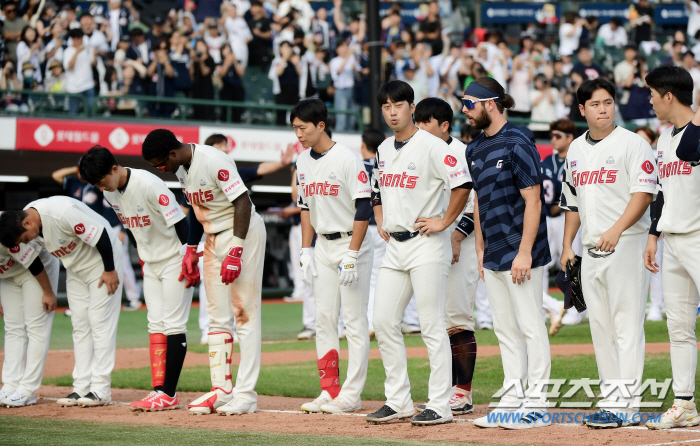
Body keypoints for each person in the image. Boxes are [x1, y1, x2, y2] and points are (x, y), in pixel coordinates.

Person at [366, 80, 471, 426]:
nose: (392, 112)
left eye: (398, 105)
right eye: (386, 107)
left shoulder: (433, 145)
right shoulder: (382, 148)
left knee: (430, 325)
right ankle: (399, 400)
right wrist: (381, 218)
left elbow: (463, 184)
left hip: (427, 243)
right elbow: (378, 190)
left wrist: (445, 221)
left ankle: (440, 404)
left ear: (412, 107)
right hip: (395, 245)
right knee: (382, 320)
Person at [142, 128, 266, 416]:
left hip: (241, 233)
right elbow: (198, 209)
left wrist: (236, 249)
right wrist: (190, 247)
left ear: (172, 153)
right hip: (212, 237)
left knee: (244, 313)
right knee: (217, 316)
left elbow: (242, 202)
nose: (161, 170)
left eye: (161, 164)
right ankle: (222, 389)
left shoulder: (213, 160)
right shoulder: (181, 168)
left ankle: (246, 394)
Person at [560, 77, 656, 428]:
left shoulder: (633, 144)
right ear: (582, 109)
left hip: (626, 242)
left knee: (627, 325)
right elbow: (571, 201)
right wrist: (568, 244)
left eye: (608, 102)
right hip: (589, 247)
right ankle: (612, 399)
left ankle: (628, 405)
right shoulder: (575, 149)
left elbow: (643, 193)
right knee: (600, 326)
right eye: (595, 104)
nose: (603, 109)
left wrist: (617, 230)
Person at [463, 77, 552, 429]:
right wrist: (480, 244)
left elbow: (534, 200)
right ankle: (514, 396)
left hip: (520, 250)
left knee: (531, 325)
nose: (465, 111)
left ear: (491, 103)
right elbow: (479, 201)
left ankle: (538, 401)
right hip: (493, 251)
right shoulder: (474, 149)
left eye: (470, 104)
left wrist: (524, 252)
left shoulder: (518, 142)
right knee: (504, 328)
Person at [77, 146, 192, 411]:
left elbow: (180, 224)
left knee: (173, 324)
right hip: (151, 263)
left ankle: (169, 393)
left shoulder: (150, 184)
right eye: (96, 184)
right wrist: (142, 258)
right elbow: (130, 228)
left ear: (114, 168)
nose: (102, 187)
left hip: (175, 257)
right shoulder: (111, 193)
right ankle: (159, 391)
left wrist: (189, 259)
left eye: (103, 180)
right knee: (155, 324)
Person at [290, 98, 373, 414]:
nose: (299, 134)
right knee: (324, 319)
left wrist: (353, 253)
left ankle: (351, 395)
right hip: (322, 246)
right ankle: (329, 390)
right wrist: (305, 248)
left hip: (350, 245)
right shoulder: (303, 161)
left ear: (320, 125)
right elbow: (306, 207)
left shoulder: (348, 159)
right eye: (295, 128)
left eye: (303, 128)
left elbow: (363, 206)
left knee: (353, 321)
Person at [0, 197, 124, 408]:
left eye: (23, 238)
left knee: (99, 321)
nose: (24, 243)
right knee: (80, 324)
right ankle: (81, 387)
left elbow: (101, 233)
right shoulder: (24, 223)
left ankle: (101, 389)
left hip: (101, 262)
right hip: (75, 266)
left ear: (28, 223)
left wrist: (110, 269)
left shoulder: (60, 212)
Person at [413, 97, 479, 415]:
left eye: (427, 124)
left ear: (444, 126)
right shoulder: (416, 152)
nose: (421, 130)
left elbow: (472, 200)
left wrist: (456, 236)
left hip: (459, 244)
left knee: (456, 318)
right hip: (427, 245)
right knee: (433, 320)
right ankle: (444, 391)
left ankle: (462, 393)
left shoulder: (461, 153)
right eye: (419, 123)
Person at [195, 134, 293, 344]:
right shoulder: (197, 172)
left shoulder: (228, 171)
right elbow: (187, 209)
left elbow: (257, 170)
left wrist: (281, 163)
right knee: (209, 287)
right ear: (209, 149)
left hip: (232, 234)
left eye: (226, 147)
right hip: (207, 236)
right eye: (220, 146)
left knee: (236, 284)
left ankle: (234, 328)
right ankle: (207, 328)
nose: (225, 150)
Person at [644, 65, 700, 430]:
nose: (649, 100)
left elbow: (692, 149)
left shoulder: (696, 133)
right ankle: (685, 404)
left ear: (669, 95)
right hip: (673, 241)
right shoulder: (663, 138)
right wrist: (653, 234)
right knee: (678, 327)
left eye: (652, 93)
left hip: (699, 237)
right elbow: (661, 191)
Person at [0, 239, 59, 407]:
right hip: (8, 274)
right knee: (12, 328)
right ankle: (10, 386)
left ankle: (27, 390)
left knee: (36, 329)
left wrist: (48, 292)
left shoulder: (5, 231)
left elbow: (34, 262)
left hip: (36, 269)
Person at [540, 119, 583, 336]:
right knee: (542, 265)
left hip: (571, 216)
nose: (553, 139)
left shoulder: (578, 158)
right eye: (552, 135)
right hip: (548, 218)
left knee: (572, 262)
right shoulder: (547, 161)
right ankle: (548, 307)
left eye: (558, 136)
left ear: (569, 138)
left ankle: (576, 308)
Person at [634, 126, 664, 322]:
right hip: (632, 223)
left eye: (644, 139)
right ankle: (636, 307)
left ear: (652, 142)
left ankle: (656, 306)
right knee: (633, 268)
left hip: (653, 220)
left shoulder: (657, 163)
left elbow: (661, 195)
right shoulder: (627, 161)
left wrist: (658, 223)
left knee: (655, 266)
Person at [360, 128, 385, 339]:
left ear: (363, 145)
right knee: (380, 276)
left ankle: (350, 325)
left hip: (360, 228)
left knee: (355, 277)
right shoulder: (385, 166)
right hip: (383, 226)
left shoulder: (357, 166)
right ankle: (376, 321)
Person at [64, 27, 96, 116]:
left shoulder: (87, 49)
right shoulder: (68, 51)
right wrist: (77, 52)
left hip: (88, 86)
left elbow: (93, 63)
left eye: (81, 38)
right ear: (73, 39)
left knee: (91, 113)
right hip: (74, 88)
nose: (80, 41)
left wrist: (94, 55)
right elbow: (69, 66)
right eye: (78, 38)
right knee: (72, 114)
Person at [330, 40, 360, 132]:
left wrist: (355, 70)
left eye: (345, 46)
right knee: (341, 118)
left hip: (352, 91)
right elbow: (337, 73)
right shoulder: (334, 61)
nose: (344, 49)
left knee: (352, 119)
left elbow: (359, 76)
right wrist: (347, 57)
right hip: (341, 91)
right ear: (337, 49)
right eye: (342, 46)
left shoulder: (352, 59)